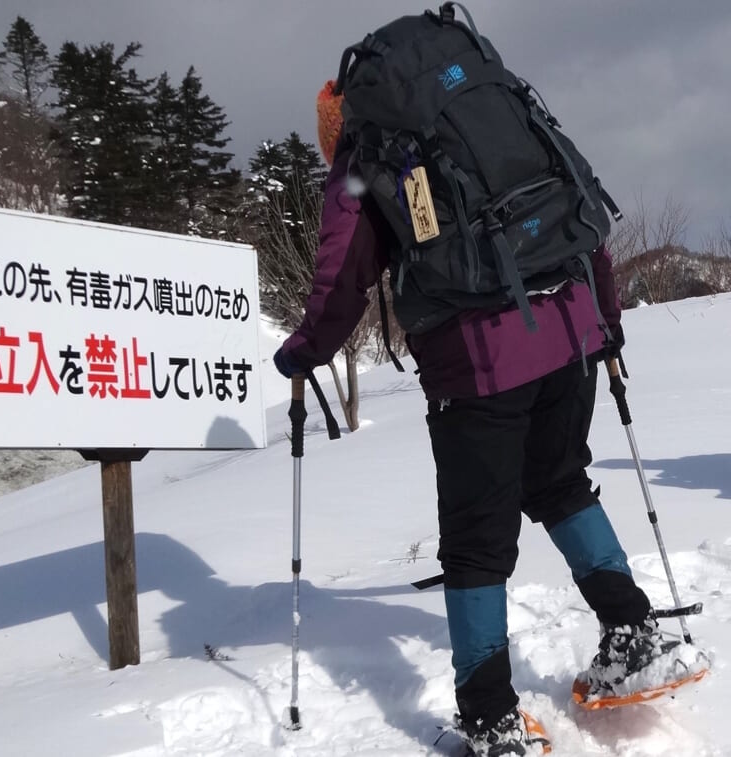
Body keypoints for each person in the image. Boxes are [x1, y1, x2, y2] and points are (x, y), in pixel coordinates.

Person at [272, 80, 691, 756]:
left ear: (337, 127)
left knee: (474, 539)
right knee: (558, 482)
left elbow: (343, 277)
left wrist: (304, 353)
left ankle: (491, 714)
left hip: (482, 362)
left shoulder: (367, 151)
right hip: (571, 335)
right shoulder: (494, 120)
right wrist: (606, 323)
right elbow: (584, 213)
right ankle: (634, 631)